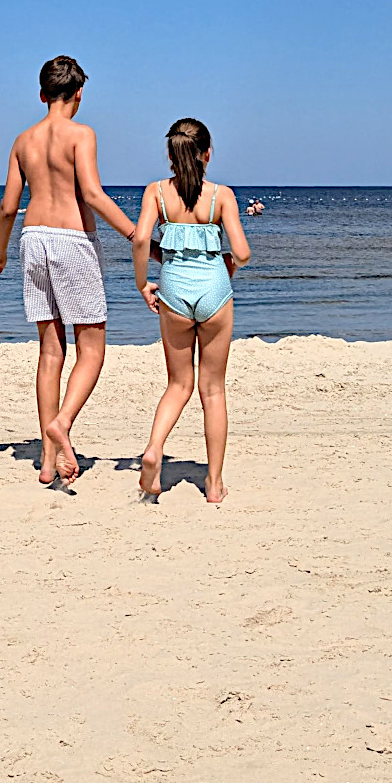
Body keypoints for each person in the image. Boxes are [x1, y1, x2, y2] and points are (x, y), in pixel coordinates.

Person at [0, 55, 137, 487]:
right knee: (92, 349)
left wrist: (0, 255)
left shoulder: (22, 141)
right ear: (79, 94)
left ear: (41, 94)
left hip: (32, 240)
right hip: (72, 241)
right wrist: (135, 236)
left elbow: (8, 206)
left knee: (51, 352)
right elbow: (91, 192)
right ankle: (62, 423)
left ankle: (48, 462)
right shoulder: (81, 134)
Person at [132, 118, 251, 506]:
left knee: (178, 385)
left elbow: (139, 242)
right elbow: (244, 252)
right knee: (213, 390)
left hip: (174, 291)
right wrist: (229, 264)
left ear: (169, 156)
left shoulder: (157, 193)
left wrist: (142, 283)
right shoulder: (222, 196)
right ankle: (214, 484)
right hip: (214, 291)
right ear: (208, 154)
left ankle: (153, 450)